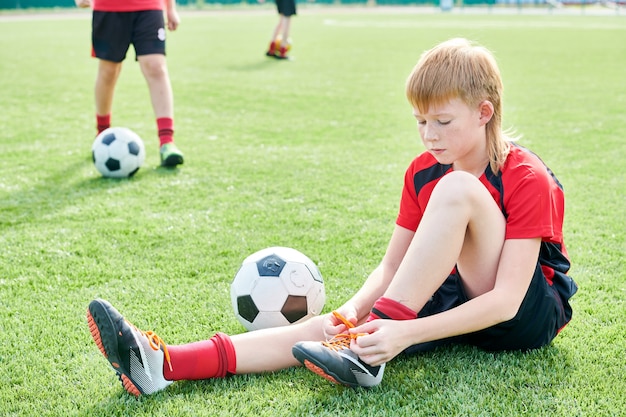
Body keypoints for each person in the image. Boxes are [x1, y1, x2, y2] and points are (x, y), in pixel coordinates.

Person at [86, 38, 577, 396]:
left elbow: (507, 302)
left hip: (522, 318)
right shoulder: (423, 172)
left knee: (459, 190)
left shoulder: (524, 175)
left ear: (485, 112)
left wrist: (402, 332)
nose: (428, 135)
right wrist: (351, 313)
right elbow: (391, 269)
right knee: (327, 327)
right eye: (420, 122)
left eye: (442, 122)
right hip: (454, 296)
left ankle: (363, 352)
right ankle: (164, 364)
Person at [75, 0, 184, 167]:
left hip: (149, 6)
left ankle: (166, 141)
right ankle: (102, 135)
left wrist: (170, 7)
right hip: (108, 7)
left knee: (156, 67)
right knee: (109, 72)